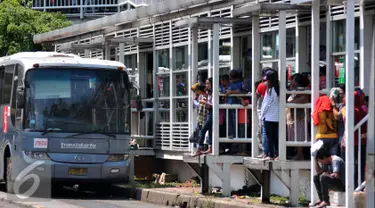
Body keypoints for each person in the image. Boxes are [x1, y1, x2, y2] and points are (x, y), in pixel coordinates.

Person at [286, 73, 310, 160]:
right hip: (293, 118)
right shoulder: (293, 90)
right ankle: (298, 153)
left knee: (299, 136)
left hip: (299, 118)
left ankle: (300, 154)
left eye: (292, 79)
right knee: (295, 136)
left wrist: (290, 103)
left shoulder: (302, 90)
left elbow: (303, 100)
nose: (291, 81)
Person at [260, 70, 280, 161]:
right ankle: (277, 153)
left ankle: (271, 154)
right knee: (275, 136)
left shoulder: (271, 90)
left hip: (269, 116)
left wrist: (262, 114)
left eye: (266, 80)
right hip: (275, 116)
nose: (265, 82)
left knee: (269, 137)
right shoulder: (277, 88)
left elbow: (267, 104)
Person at [193, 78, 213, 156]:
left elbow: (212, 104)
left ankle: (199, 148)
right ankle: (210, 148)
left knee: (203, 130)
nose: (206, 85)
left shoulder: (211, 93)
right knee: (210, 131)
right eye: (206, 84)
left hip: (211, 114)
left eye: (208, 83)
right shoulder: (207, 94)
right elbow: (193, 88)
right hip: (208, 114)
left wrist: (204, 102)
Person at [256, 67, 272, 158]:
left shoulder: (262, 85)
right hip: (274, 113)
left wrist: (255, 105)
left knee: (263, 131)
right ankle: (269, 151)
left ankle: (265, 151)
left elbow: (257, 95)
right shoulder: (278, 85)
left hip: (265, 112)